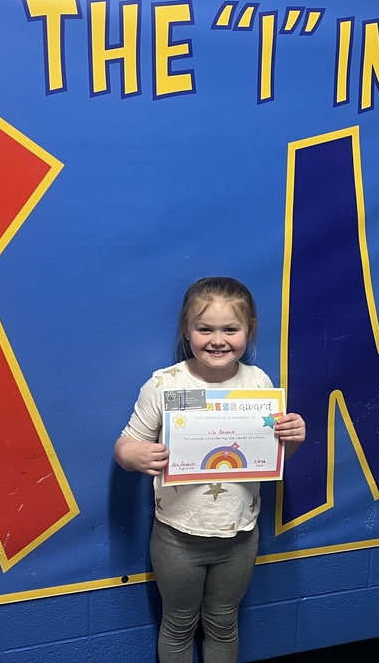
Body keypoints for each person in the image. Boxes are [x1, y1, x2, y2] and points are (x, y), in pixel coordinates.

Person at [114, 276, 306, 663]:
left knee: (223, 623)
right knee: (179, 624)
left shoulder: (259, 383)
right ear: (187, 330)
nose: (217, 340)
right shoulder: (164, 384)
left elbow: (270, 453)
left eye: (230, 329)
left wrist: (293, 438)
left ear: (248, 331)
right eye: (205, 329)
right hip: (177, 538)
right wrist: (133, 456)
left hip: (240, 535)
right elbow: (125, 444)